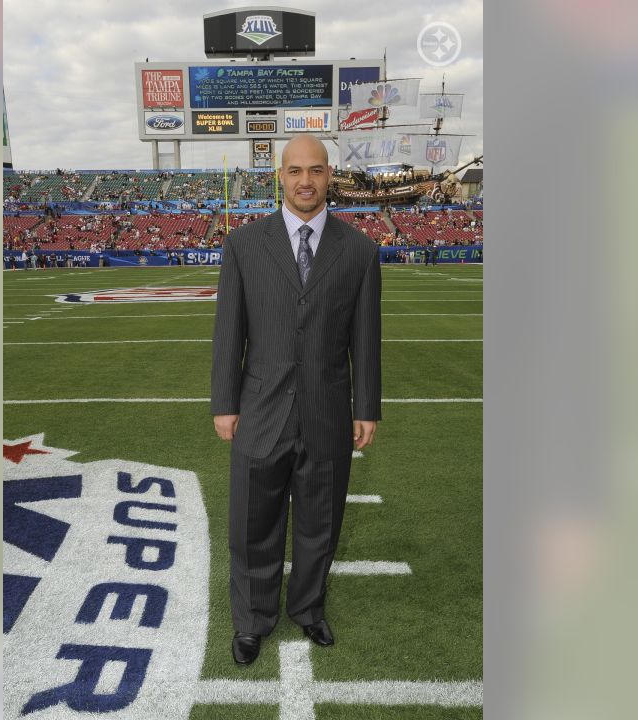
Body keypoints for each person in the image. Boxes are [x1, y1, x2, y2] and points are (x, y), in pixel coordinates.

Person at [210, 134, 382, 666]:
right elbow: (228, 333)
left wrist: (366, 406)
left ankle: (308, 609)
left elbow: (365, 338)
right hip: (260, 409)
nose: (305, 180)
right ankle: (253, 620)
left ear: (330, 176)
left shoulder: (358, 250)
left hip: (327, 408)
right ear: (279, 177)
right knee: (252, 523)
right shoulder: (244, 245)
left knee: (320, 521)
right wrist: (224, 402)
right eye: (294, 171)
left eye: (316, 170)